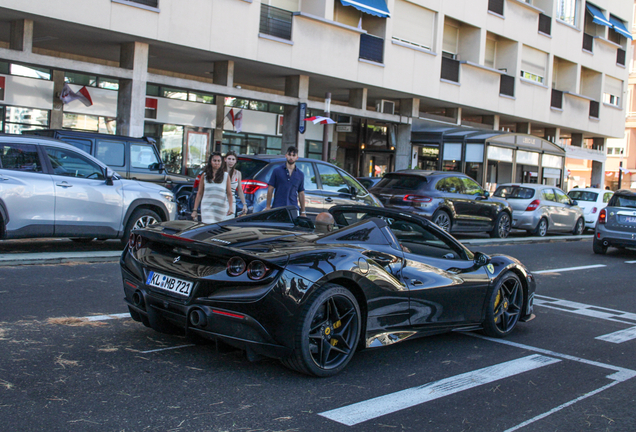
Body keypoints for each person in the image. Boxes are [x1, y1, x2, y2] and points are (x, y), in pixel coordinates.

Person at [191, 152, 234, 223]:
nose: (216, 163)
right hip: (207, 207)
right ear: (210, 162)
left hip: (220, 208)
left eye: (219, 161)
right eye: (214, 161)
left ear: (221, 162)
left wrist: (231, 207)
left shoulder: (226, 176)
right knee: (207, 226)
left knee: (217, 231)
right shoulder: (204, 176)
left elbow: (229, 193)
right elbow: (199, 193)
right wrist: (195, 210)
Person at [265, 146, 306, 216]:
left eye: (293, 155)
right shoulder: (277, 171)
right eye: (289, 155)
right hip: (278, 207)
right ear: (286, 156)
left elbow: (301, 193)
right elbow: (270, 189)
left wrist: (303, 211)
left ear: (297, 157)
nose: (291, 157)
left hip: (293, 208)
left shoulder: (300, 174)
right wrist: (268, 206)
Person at [224, 150, 247, 216]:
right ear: (225, 159)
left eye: (233, 159)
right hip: (221, 201)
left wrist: (244, 204)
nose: (231, 161)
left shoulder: (238, 173)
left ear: (235, 161)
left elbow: (240, 190)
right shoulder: (221, 172)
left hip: (232, 202)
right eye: (229, 159)